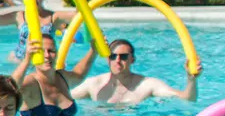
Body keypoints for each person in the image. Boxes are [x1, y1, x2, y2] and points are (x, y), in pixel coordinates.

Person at [69, 39, 199, 106]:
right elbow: (61, 97)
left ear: (133, 60)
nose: (118, 60)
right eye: (113, 56)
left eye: (123, 57)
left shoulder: (147, 85)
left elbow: (188, 99)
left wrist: (191, 79)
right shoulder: (94, 85)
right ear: (108, 60)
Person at [12, 34, 93, 116]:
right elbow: (10, 88)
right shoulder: (31, 83)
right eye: (41, 51)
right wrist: (26, 60)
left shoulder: (63, 77)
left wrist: (93, 50)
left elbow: (79, 75)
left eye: (51, 51)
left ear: (57, 54)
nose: (47, 55)